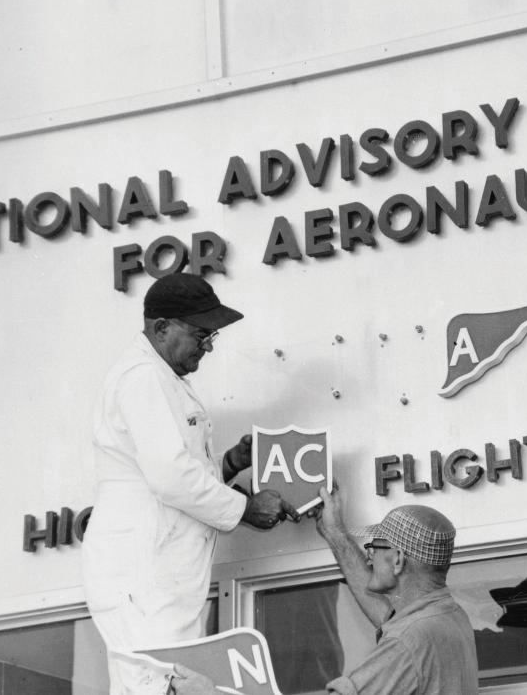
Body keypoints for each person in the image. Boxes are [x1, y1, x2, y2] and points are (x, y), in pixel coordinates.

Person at [81, 272, 300, 695]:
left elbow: (169, 471)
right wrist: (245, 510)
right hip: (145, 575)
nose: (207, 347)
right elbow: (170, 478)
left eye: (211, 337)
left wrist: (229, 464)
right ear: (161, 328)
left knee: (171, 681)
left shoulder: (160, 377)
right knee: (157, 684)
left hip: (159, 574)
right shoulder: (142, 376)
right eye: (201, 335)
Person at [308, 485, 479, 695]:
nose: (369, 556)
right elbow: (390, 618)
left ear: (397, 560)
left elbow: (404, 638)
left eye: (375, 548)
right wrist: (334, 533)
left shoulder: (407, 642)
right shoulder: (448, 615)